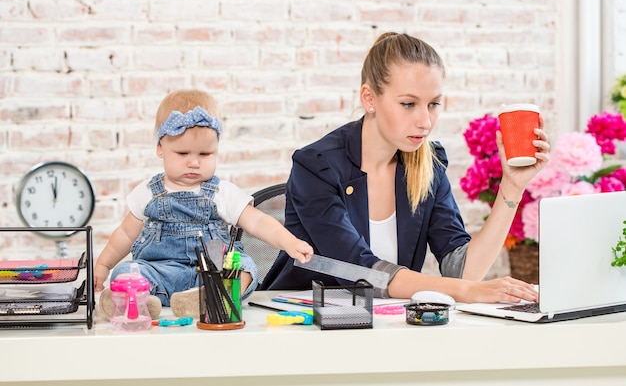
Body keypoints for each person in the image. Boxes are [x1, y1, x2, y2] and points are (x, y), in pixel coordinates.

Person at [261, 32, 549, 304]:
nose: (425, 121)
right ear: (369, 98)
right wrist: (468, 291)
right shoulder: (316, 167)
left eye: (433, 104)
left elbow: (462, 271)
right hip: (303, 327)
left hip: (388, 326)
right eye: (409, 104)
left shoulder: (427, 165)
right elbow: (364, 272)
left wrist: (512, 186)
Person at [95, 89, 313, 319]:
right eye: (182, 153)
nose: (194, 162)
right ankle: (143, 301)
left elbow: (257, 221)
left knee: (247, 268)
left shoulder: (221, 192)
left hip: (212, 275)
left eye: (205, 154)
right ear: (160, 148)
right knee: (125, 273)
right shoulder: (148, 192)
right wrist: (104, 266)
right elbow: (125, 234)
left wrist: (289, 241)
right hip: (161, 272)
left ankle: (206, 298)